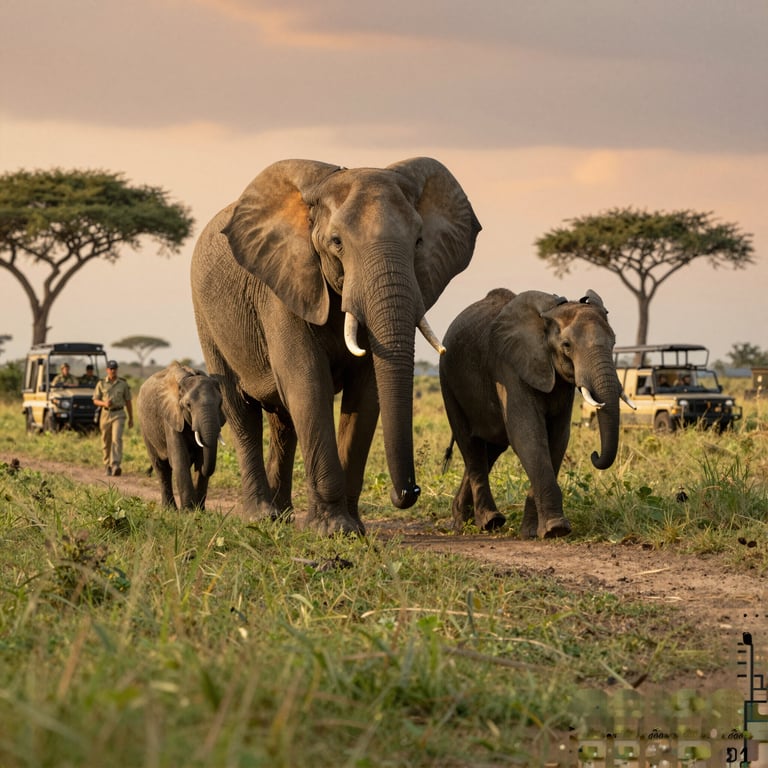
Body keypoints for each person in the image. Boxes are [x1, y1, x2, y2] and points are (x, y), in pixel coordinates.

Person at [92, 360, 133, 476]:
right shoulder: (101, 383)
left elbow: (128, 401)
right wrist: (104, 404)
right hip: (105, 414)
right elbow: (95, 400)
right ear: (107, 370)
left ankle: (116, 465)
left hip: (119, 414)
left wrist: (131, 418)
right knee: (106, 440)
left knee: (116, 439)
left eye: (115, 369)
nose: (113, 371)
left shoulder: (123, 384)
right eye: (111, 369)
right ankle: (107, 465)